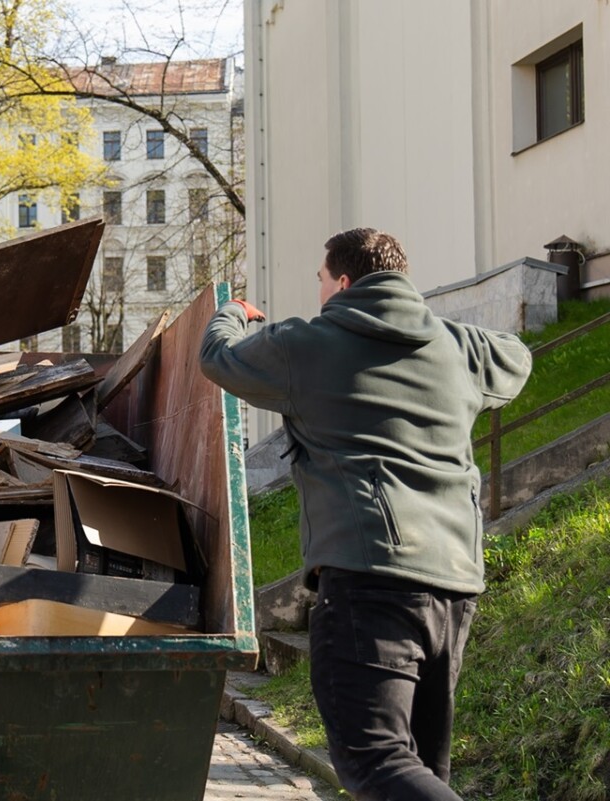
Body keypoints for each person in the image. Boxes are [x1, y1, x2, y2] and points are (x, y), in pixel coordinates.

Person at [199, 228, 532, 800]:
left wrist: (233, 310)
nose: (319, 293)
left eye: (321, 282)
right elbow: (517, 357)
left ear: (345, 283)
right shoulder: (457, 347)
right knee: (419, 767)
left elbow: (218, 357)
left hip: (369, 579)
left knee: (375, 761)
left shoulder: (306, 344)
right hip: (454, 585)